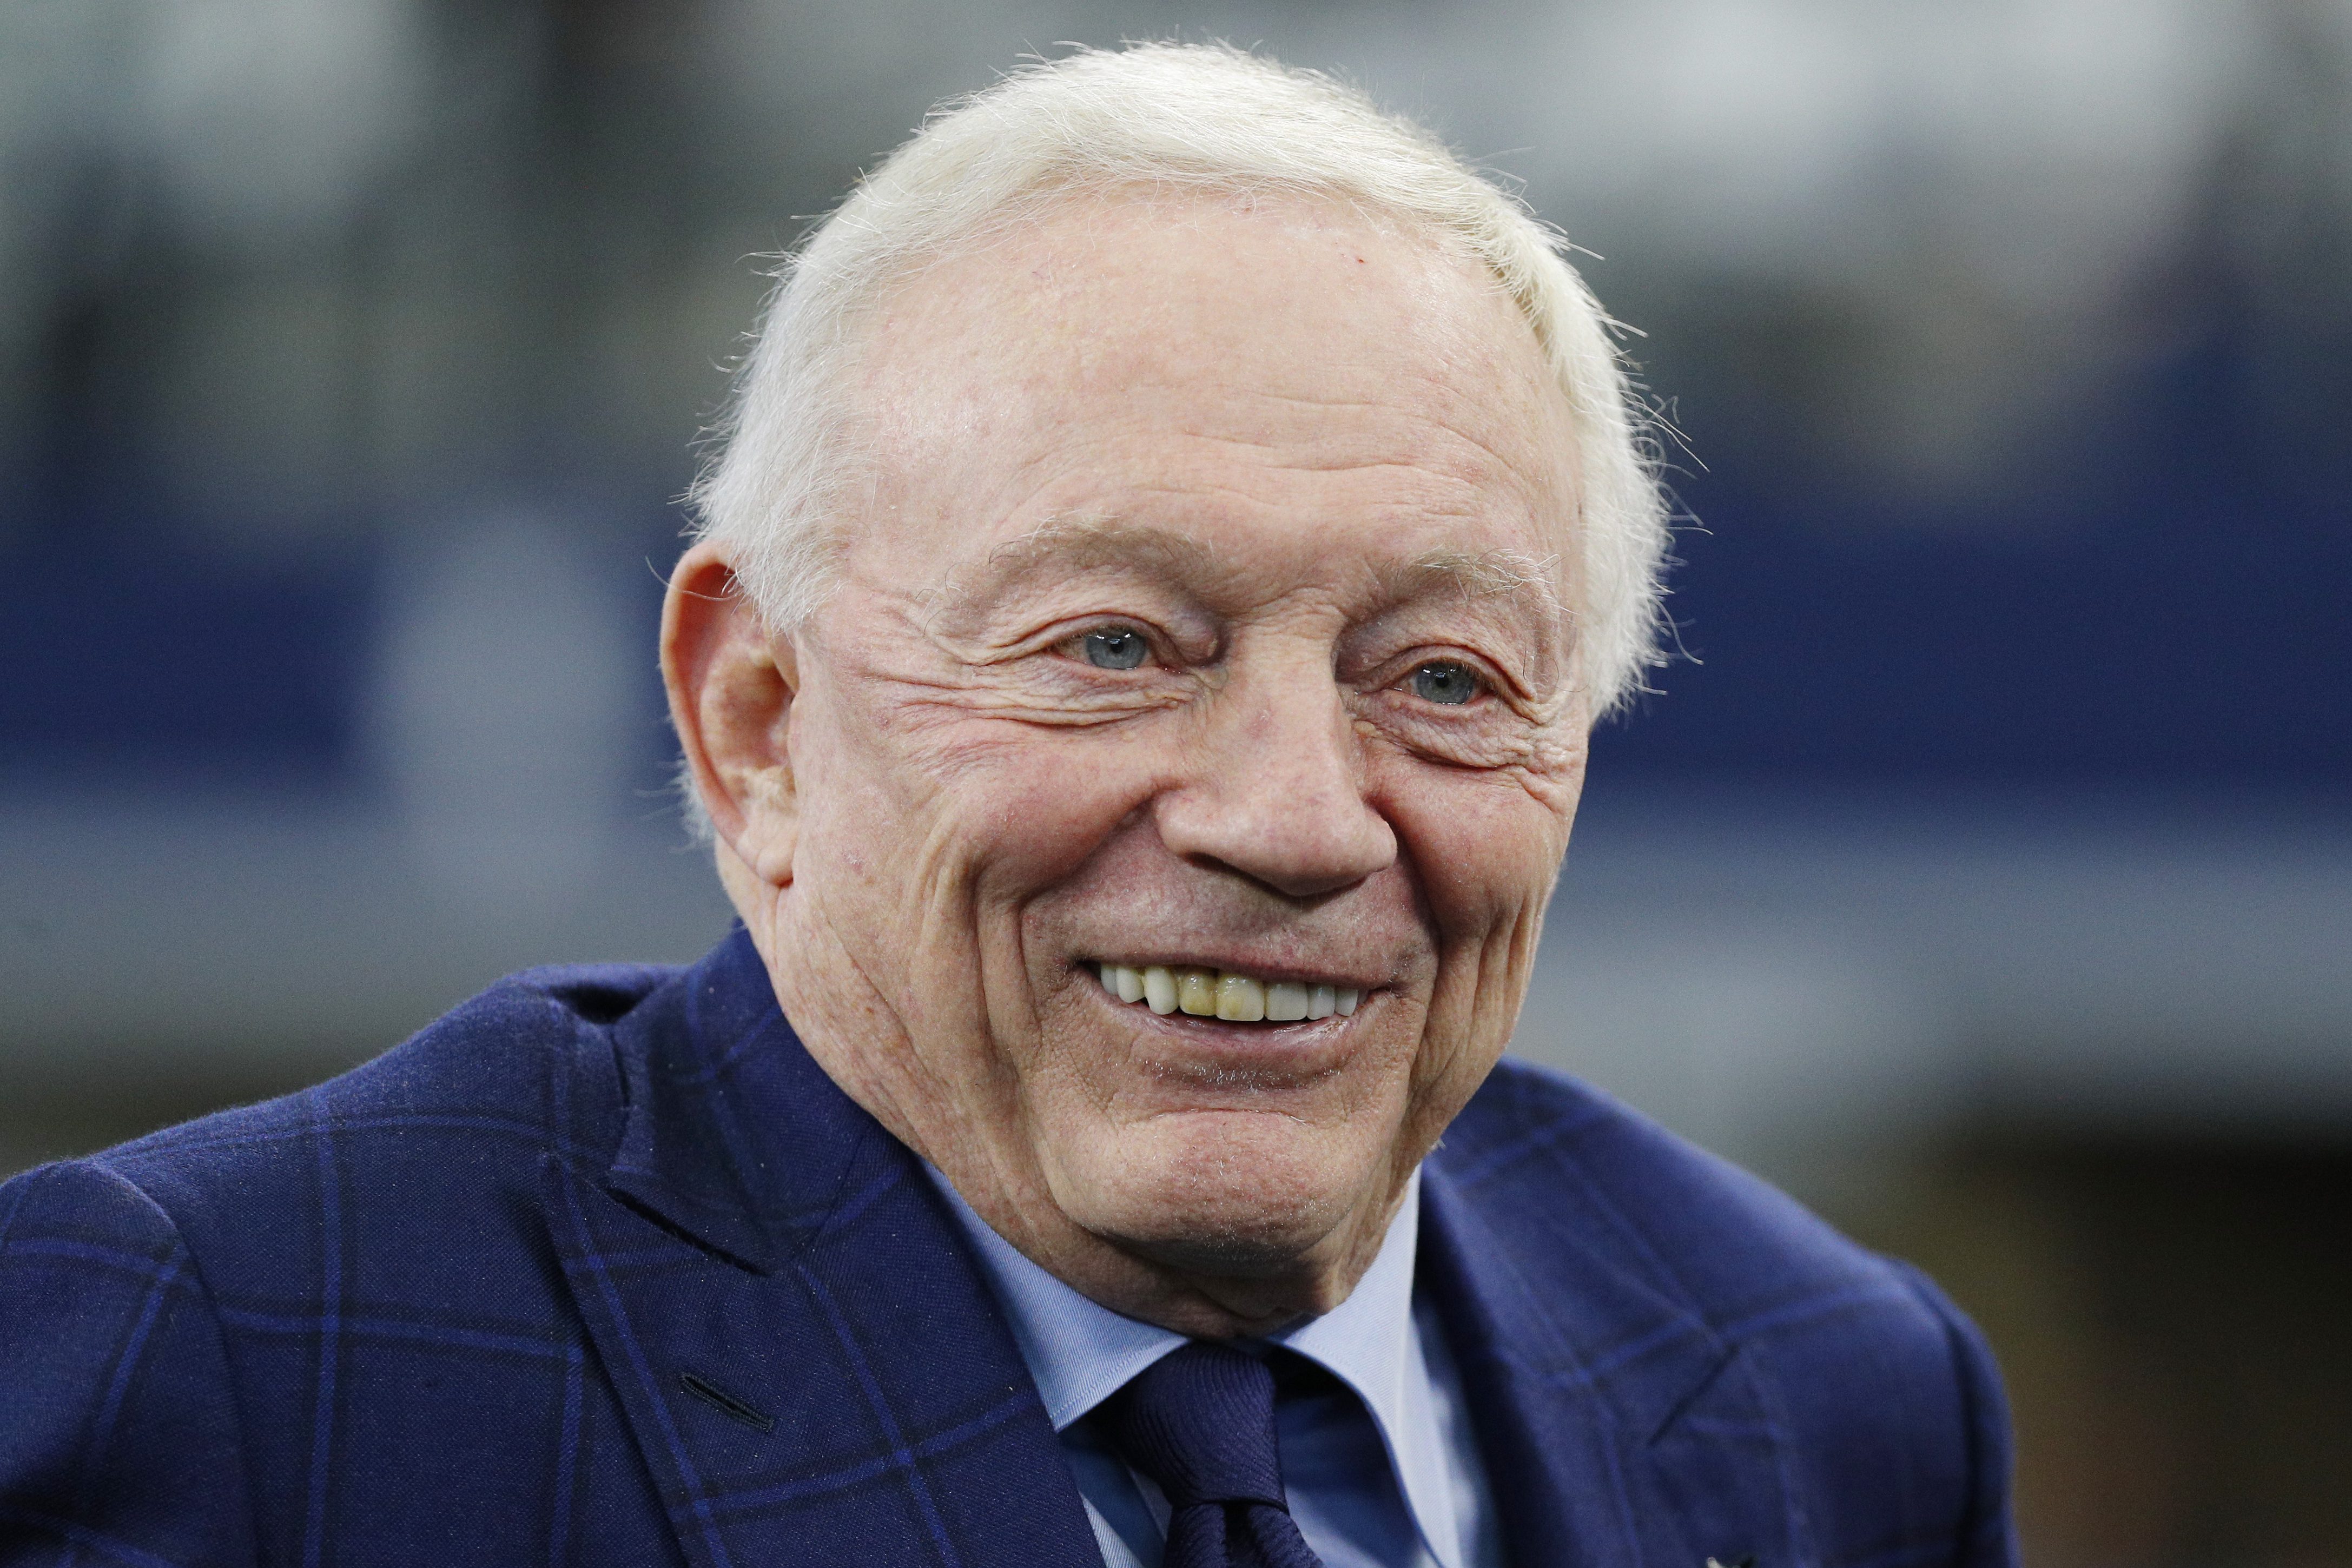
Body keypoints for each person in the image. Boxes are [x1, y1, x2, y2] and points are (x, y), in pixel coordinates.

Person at [0, 43, 2015, 1568]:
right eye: (1118, 646)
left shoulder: (1824, 1397)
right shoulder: (234, 1364)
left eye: (1441, 679)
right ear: (759, 720)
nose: (1298, 822)